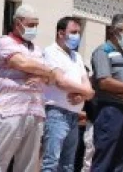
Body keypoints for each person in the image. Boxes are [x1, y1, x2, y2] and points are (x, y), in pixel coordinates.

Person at [0, 4, 58, 172]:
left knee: (29, 166)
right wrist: (46, 71)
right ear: (18, 23)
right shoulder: (5, 42)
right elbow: (21, 62)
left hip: (35, 112)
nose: (34, 29)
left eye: (36, 25)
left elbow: (53, 77)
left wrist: (42, 74)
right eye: (31, 25)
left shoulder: (37, 49)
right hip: (9, 111)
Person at [88, 14, 123, 172]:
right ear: (113, 30)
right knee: (105, 158)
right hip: (110, 111)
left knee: (119, 160)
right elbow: (104, 81)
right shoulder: (102, 51)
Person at [41, 17, 95, 172]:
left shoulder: (76, 57)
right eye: (73, 32)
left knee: (68, 164)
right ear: (60, 33)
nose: (77, 36)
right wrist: (85, 92)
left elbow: (88, 87)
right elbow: (60, 81)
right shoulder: (51, 51)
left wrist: (83, 95)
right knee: (51, 162)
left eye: (78, 32)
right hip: (56, 113)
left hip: (74, 115)